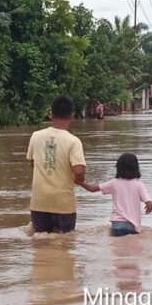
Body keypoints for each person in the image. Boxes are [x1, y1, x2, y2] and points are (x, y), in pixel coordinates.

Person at [26, 95, 87, 234]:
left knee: (40, 241)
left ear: (51, 114)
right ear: (72, 116)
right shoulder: (73, 141)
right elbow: (78, 170)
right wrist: (80, 179)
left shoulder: (36, 136)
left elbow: (33, 162)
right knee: (64, 241)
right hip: (63, 203)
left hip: (39, 202)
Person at [79, 153, 152, 237]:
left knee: (116, 245)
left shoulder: (114, 183)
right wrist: (150, 205)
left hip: (117, 223)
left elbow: (92, 189)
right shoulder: (139, 184)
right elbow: (148, 201)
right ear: (136, 168)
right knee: (132, 245)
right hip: (133, 225)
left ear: (118, 167)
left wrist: (80, 182)